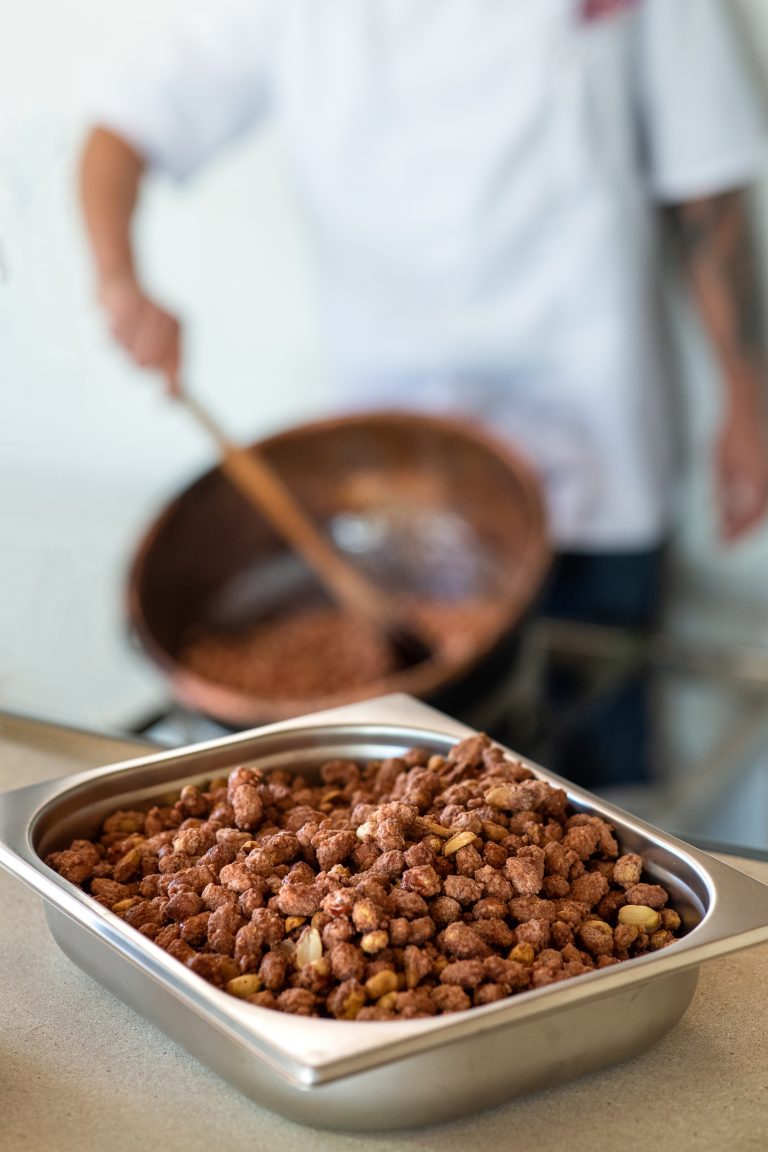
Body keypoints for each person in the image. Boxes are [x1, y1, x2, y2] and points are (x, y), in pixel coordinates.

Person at [79, 0, 768, 786]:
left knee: (599, 797)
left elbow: (706, 176)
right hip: (397, 489)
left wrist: (746, 393)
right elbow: (124, 127)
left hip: (594, 442)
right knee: (404, 815)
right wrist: (119, 281)